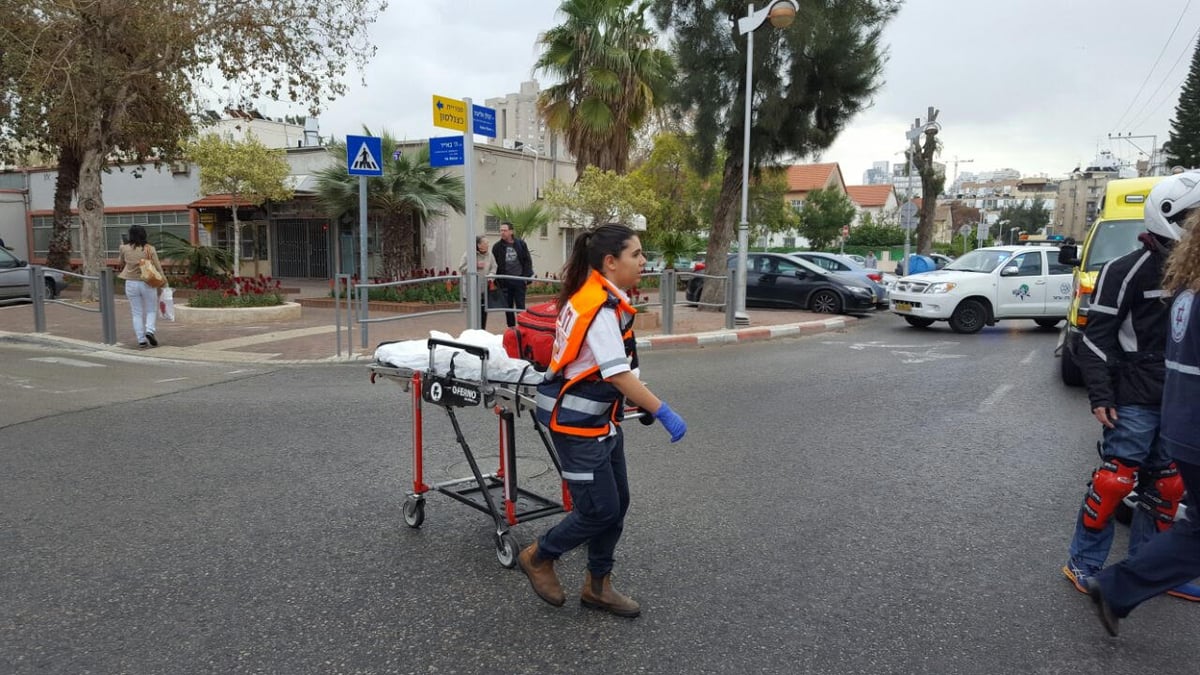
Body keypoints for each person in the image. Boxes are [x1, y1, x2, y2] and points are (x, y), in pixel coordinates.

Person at [518, 223, 687, 618]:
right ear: (611, 263)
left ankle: (598, 586)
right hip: (578, 428)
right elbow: (616, 373)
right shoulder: (598, 309)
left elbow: (609, 368)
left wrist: (637, 399)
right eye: (636, 254)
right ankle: (539, 555)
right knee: (598, 511)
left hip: (600, 424)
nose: (644, 261)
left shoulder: (600, 298)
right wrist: (662, 410)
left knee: (617, 503)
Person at [1064, 171, 1200, 616]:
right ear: (1171, 218)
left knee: (1166, 488)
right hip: (1133, 397)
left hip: (1180, 400)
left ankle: (1148, 573)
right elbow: (1093, 336)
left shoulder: (1194, 275)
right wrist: (1100, 394)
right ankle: (1083, 564)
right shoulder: (1123, 270)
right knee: (1114, 481)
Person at [116, 225, 165, 348]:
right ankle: (150, 331)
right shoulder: (149, 248)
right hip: (148, 281)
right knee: (150, 309)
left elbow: (120, 263)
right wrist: (164, 280)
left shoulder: (124, 248)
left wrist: (123, 248)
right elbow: (158, 266)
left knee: (136, 312)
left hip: (131, 282)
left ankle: (141, 340)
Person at [491, 221, 533, 328]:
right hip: (505, 281)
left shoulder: (521, 244)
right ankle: (511, 328)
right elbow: (494, 264)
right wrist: (496, 281)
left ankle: (522, 326)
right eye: (501, 230)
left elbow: (527, 260)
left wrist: (526, 278)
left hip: (519, 279)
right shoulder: (497, 247)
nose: (502, 232)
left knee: (520, 305)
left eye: (505, 230)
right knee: (508, 306)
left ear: (511, 231)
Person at [459, 235, 497, 330]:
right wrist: (474, 265)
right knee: (473, 312)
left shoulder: (490, 254)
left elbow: (494, 266)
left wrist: (491, 275)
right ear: (479, 245)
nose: (488, 245)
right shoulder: (469, 254)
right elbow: (461, 268)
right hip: (472, 289)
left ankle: (482, 331)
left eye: (488, 244)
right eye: (485, 243)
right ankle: (473, 331)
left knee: (484, 311)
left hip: (484, 289)